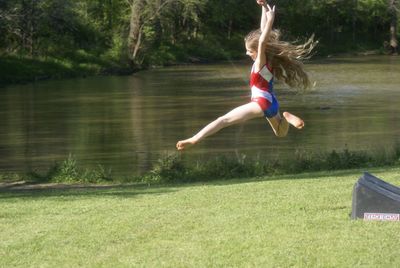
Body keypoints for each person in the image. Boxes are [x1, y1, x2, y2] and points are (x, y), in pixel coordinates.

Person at [176, 0, 316, 151]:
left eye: (249, 51)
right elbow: (263, 35)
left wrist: (270, 20)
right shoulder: (268, 61)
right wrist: (263, 7)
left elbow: (262, 42)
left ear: (257, 51)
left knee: (223, 120)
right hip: (272, 102)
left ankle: (194, 139)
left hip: (261, 103)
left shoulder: (260, 63)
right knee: (280, 133)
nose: (247, 53)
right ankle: (287, 119)